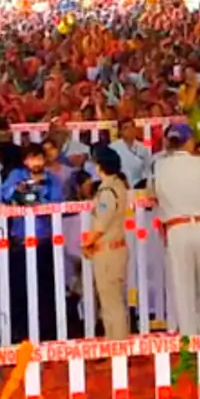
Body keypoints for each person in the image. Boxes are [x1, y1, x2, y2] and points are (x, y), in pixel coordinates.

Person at [153, 123, 200, 335]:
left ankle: (189, 335)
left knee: (182, 285)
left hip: (177, 228)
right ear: (189, 141)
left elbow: (153, 192)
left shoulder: (159, 167)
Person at [0, 142, 66, 343]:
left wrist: (35, 199)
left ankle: (47, 332)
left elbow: (56, 202)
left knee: (45, 288)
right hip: (20, 240)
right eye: (30, 158)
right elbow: (3, 195)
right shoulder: (16, 176)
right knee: (19, 288)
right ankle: (21, 332)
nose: (35, 162)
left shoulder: (52, 180)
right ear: (24, 160)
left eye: (38, 158)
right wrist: (20, 193)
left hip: (44, 240)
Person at [83, 146, 130, 340]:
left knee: (111, 303)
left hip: (107, 250)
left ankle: (118, 346)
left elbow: (101, 223)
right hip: (117, 247)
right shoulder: (119, 185)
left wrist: (87, 243)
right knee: (114, 300)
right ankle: (115, 344)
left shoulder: (107, 191)